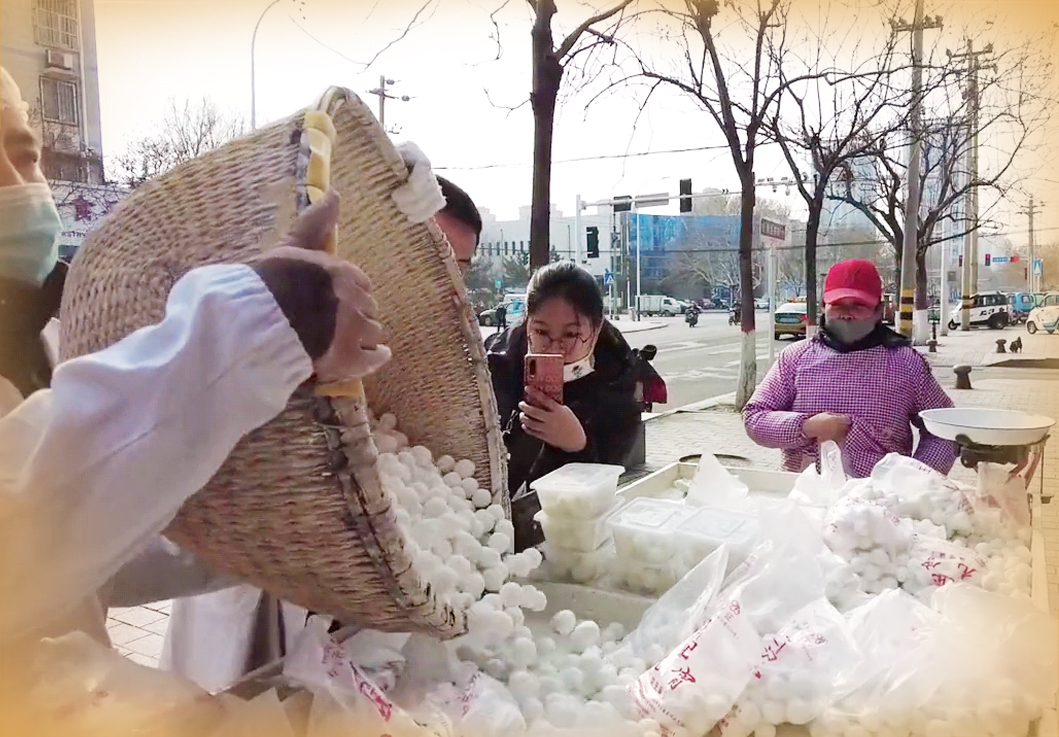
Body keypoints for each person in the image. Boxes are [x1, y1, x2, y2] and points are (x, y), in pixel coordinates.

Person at [161, 142, 484, 693]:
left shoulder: (424, 354)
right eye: (431, 256)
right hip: (255, 569)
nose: (444, 283)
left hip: (350, 600)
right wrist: (369, 182)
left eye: (459, 269)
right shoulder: (309, 304)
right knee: (231, 698)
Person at [485, 262, 648, 551]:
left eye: (571, 335)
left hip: (569, 542)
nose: (554, 347)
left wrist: (579, 444)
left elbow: (612, 482)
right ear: (527, 323)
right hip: (489, 530)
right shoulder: (495, 365)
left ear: (595, 330)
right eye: (541, 332)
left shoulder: (618, 380)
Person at [743, 259, 957, 478]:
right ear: (824, 307)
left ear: (878, 311)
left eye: (858, 305)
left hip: (878, 502)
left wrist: (916, 480)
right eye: (838, 305)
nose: (846, 314)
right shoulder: (795, 357)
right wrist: (807, 427)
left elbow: (945, 429)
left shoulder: (906, 363)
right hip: (804, 497)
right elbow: (754, 418)